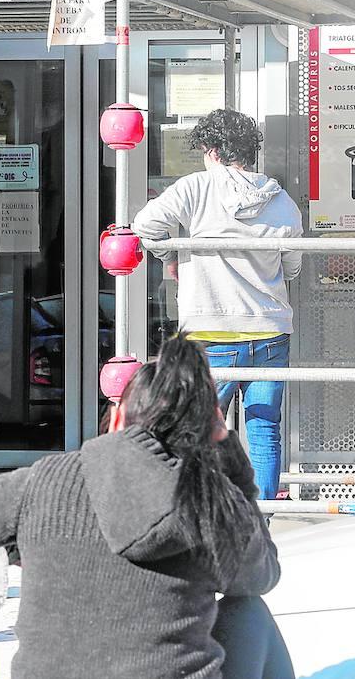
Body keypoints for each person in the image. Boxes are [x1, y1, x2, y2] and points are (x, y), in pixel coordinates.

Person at [0, 336, 293, 679]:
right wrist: (230, 459)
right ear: (211, 428)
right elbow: (263, 575)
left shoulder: (44, 480)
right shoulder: (209, 501)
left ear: (117, 415)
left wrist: (30, 540)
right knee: (250, 613)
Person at [134, 108, 303, 500]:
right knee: (264, 427)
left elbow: (146, 226)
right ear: (250, 151)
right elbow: (292, 267)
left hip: (211, 333)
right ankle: (259, 517)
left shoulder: (194, 188)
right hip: (270, 331)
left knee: (197, 427)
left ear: (211, 150)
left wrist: (171, 257)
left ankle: (202, 509)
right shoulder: (282, 202)